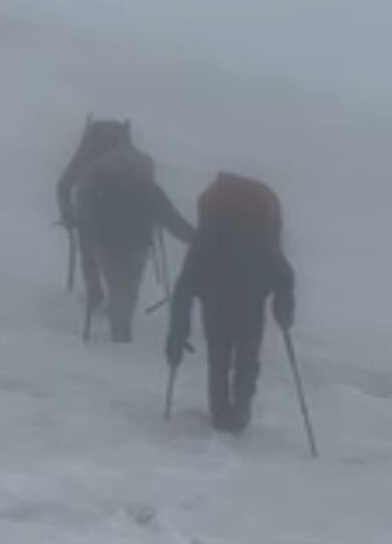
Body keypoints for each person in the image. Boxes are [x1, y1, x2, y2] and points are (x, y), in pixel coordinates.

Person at [165, 172, 295, 432]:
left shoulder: (207, 236)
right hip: (251, 300)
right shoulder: (260, 235)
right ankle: (241, 410)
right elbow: (284, 275)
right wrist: (283, 309)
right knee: (248, 355)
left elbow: (185, 284)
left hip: (216, 301)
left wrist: (179, 330)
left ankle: (220, 416)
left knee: (218, 357)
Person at [56, 118, 195, 343]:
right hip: (136, 241)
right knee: (125, 293)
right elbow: (165, 211)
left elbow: (63, 186)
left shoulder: (89, 160)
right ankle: (121, 338)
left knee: (91, 260)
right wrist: (199, 238)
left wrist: (70, 218)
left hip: (99, 235)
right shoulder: (139, 168)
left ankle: (97, 301)